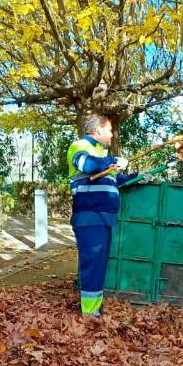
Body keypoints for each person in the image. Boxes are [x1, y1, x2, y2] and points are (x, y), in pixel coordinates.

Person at [67, 113, 139, 317]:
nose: (112, 135)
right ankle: (90, 314)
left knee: (98, 265)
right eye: (109, 130)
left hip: (103, 217)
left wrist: (137, 178)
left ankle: (94, 309)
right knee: (93, 264)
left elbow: (116, 180)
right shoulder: (81, 146)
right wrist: (112, 160)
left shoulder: (100, 154)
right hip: (90, 216)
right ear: (97, 130)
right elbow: (87, 165)